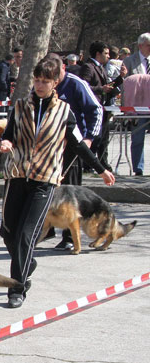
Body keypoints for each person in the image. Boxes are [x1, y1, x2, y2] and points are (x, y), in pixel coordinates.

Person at [0, 56, 115, 309]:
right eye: (37, 80)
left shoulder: (64, 112)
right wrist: (5, 143)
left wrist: (101, 169)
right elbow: (9, 133)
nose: (39, 85)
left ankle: (16, 287)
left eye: (45, 81)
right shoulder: (19, 106)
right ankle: (27, 264)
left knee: (26, 236)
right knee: (7, 232)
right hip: (17, 174)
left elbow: (78, 146)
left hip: (44, 180)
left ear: (55, 83)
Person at [50, 53, 103, 250]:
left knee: (69, 191)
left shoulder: (76, 84)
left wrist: (89, 137)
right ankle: (47, 229)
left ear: (63, 68)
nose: (51, 80)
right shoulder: (44, 83)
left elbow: (96, 109)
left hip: (74, 145)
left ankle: (69, 236)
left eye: (55, 74)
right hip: (52, 147)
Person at [79, 41, 116, 171]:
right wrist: (101, 89)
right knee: (94, 138)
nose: (108, 56)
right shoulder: (88, 67)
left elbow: (107, 85)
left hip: (103, 108)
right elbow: (84, 86)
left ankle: (100, 163)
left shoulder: (101, 67)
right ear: (98, 54)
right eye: (106, 53)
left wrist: (120, 79)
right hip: (92, 108)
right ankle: (87, 164)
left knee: (102, 139)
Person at [120, 32, 150, 175]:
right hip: (137, 108)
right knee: (137, 139)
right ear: (140, 46)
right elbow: (124, 85)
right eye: (148, 45)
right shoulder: (129, 61)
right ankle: (138, 169)